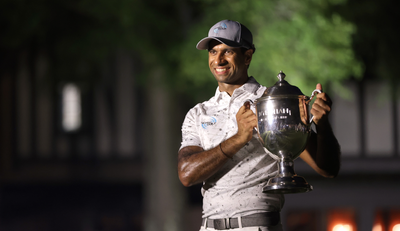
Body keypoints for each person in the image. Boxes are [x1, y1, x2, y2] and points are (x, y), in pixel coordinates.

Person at [177, 19, 340, 231]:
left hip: (257, 226)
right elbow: (187, 175)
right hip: (208, 226)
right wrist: (238, 139)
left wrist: (323, 125)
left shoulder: (274, 101)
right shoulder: (198, 113)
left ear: (247, 56)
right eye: (213, 51)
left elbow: (327, 169)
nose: (218, 59)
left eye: (227, 51)